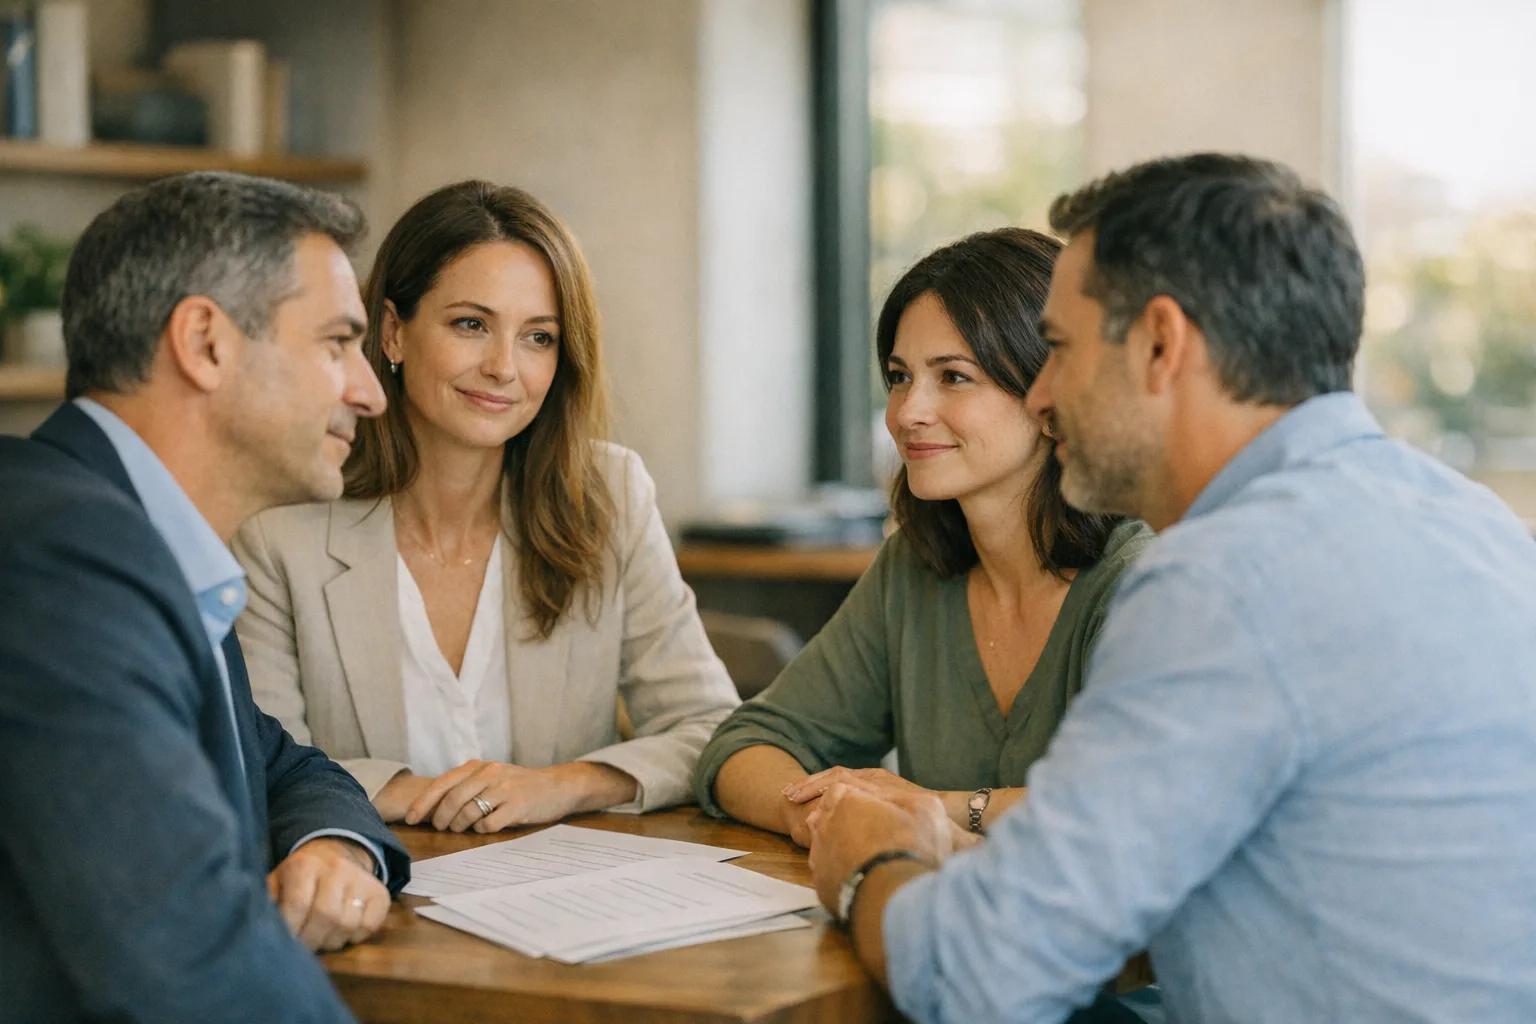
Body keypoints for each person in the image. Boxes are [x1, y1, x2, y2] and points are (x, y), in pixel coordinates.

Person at [805, 153, 1536, 1024]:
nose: (1040, 396)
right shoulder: (1474, 521)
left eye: (1061, 350)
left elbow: (978, 976)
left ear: (1160, 343)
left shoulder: (1222, 580)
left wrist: (868, 861)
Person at [0, 172, 411, 1023]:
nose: (370, 391)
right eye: (338, 343)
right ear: (206, 343)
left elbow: (270, 757)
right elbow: (187, 961)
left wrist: (332, 841)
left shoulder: (131, 533)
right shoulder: (64, 557)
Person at [232, 180, 739, 834]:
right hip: (368, 896)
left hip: (562, 906)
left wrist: (563, 785)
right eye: (471, 325)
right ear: (392, 333)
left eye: (539, 337)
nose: (505, 367)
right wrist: (427, 796)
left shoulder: (610, 496)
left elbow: (712, 730)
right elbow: (262, 763)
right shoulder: (280, 526)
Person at [694, 228, 1150, 846]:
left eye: (954, 377)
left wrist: (931, 807)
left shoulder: (1141, 577)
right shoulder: (914, 567)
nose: (907, 413)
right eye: (900, 376)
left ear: (1052, 390)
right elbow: (745, 745)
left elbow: (1130, 802)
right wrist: (814, 814)